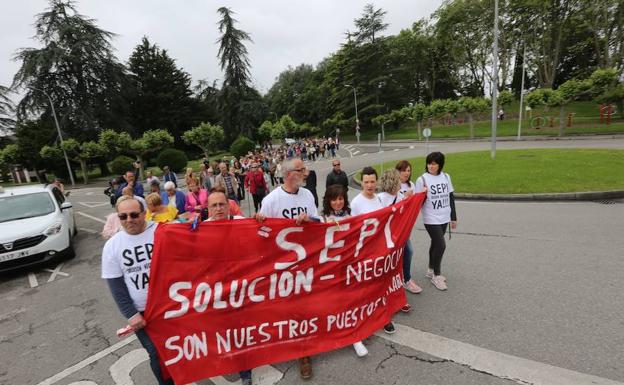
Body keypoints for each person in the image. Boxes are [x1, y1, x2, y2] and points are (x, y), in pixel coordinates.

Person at [101, 197, 174, 385]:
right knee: (156, 354)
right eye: (122, 216)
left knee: (179, 348)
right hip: (143, 313)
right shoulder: (112, 246)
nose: (129, 220)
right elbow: (116, 286)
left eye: (134, 214)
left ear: (144, 213)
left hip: (171, 305)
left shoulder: (162, 232)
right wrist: (131, 314)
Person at [256, 158, 317, 380]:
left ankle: (305, 349)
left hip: (306, 261)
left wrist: (310, 219)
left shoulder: (308, 195)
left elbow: (318, 221)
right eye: (302, 170)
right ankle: (294, 348)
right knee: (289, 308)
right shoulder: (272, 200)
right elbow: (262, 234)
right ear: (290, 174)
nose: (306, 173)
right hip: (283, 266)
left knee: (304, 306)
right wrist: (259, 221)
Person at [320, 185, 368, 357]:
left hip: (348, 265)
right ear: (328, 200)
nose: (338, 202)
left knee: (350, 301)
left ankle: (354, 337)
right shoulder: (321, 218)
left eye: (340, 199)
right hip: (329, 268)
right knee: (332, 302)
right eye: (334, 199)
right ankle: (332, 333)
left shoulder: (351, 216)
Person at [351, 166, 397, 335]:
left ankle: (384, 317)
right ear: (362, 183)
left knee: (380, 285)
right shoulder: (355, 203)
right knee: (366, 287)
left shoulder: (378, 199)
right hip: (365, 252)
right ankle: (365, 316)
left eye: (372, 181)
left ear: (376, 182)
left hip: (379, 251)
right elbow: (352, 230)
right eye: (366, 182)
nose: (369, 185)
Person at [414, 152, 457, 291]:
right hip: (431, 218)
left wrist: (453, 217)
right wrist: (423, 194)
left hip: (444, 216)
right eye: (429, 163)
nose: (431, 166)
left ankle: (430, 270)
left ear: (440, 164)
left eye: (434, 163)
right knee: (441, 245)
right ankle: (437, 276)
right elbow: (416, 202)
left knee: (435, 243)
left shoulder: (446, 176)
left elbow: (450, 196)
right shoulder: (422, 180)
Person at [378, 169, 423, 298]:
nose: (400, 182)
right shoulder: (381, 198)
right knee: (388, 259)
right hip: (387, 235)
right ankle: (387, 284)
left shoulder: (400, 196)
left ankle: (406, 279)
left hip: (400, 233)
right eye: (397, 180)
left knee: (408, 251)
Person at [395, 160, 422, 295]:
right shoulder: (394, 185)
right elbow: (391, 205)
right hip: (395, 225)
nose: (406, 173)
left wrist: (421, 194)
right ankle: (404, 278)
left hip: (406, 224)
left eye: (408, 170)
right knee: (407, 251)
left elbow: (415, 203)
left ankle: (405, 278)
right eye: (403, 170)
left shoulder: (411, 185)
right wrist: (405, 197)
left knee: (406, 251)